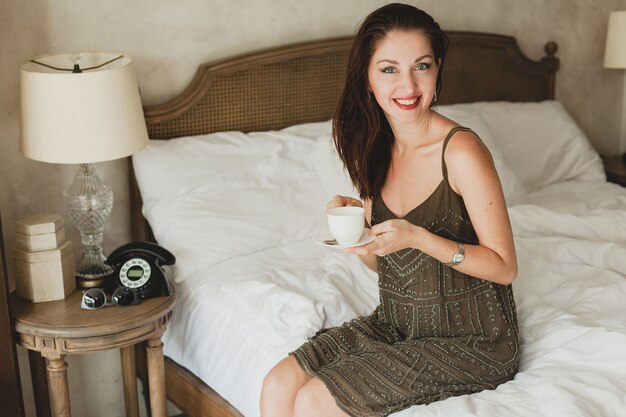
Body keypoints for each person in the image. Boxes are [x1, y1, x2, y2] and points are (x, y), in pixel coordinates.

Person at [259, 3, 519, 417]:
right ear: (367, 77)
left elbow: (505, 267)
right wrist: (365, 239)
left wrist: (419, 237)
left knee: (313, 400)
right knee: (278, 384)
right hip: (397, 323)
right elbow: (388, 268)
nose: (408, 85)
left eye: (422, 66)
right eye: (389, 69)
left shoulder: (462, 151)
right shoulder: (374, 148)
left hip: (472, 339)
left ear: (438, 71)